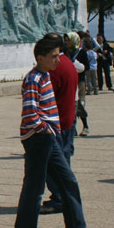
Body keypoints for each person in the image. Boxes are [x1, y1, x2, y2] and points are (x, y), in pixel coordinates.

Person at [12, 37, 101, 228]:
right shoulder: (34, 79)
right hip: (39, 140)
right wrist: (45, 129)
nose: (57, 60)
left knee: (68, 181)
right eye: (53, 57)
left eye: (58, 56)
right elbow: (30, 113)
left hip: (48, 139)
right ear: (40, 58)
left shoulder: (45, 76)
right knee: (34, 189)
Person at [39, 33, 79, 216]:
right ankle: (64, 197)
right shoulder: (68, 63)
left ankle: (59, 199)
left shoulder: (55, 68)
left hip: (57, 123)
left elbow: (47, 97)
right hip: (67, 119)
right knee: (63, 161)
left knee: (55, 164)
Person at [65, 32, 90, 136]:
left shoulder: (81, 52)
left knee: (80, 104)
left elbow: (86, 67)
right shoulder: (66, 51)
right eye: (66, 40)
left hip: (80, 81)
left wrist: (75, 66)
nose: (67, 42)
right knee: (71, 105)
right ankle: (73, 127)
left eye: (69, 40)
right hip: (70, 81)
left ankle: (85, 126)